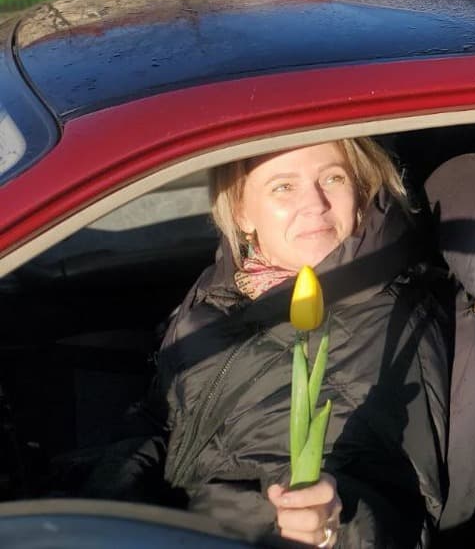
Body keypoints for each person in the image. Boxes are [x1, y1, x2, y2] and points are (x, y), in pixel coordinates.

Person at [86, 138, 452, 548]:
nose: (315, 203)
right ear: (242, 211)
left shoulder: (382, 324)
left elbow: (383, 501)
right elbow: (165, 417)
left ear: (360, 190)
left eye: (333, 177)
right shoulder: (228, 285)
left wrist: (329, 525)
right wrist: (112, 493)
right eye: (284, 186)